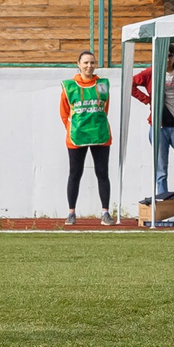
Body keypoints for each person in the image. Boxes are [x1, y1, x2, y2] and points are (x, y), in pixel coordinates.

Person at [130, 47, 174, 210]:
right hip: (159, 127)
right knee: (161, 170)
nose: (167, 59)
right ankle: (164, 209)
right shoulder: (151, 72)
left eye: (170, 56)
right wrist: (147, 99)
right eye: (164, 56)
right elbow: (131, 84)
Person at [60, 50, 112, 225]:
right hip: (77, 136)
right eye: (86, 63)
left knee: (102, 173)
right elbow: (64, 112)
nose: (89, 66)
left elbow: (105, 109)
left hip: (100, 135)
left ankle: (105, 212)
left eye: (92, 62)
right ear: (78, 64)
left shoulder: (102, 84)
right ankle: (71, 213)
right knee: (75, 173)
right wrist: (73, 129)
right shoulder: (69, 86)